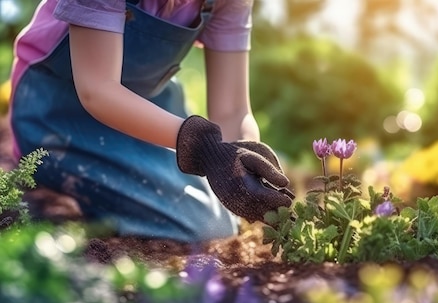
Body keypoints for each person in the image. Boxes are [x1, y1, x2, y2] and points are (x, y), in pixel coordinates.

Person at [8, 0, 293, 242]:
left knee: (223, 220)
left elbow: (232, 110)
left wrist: (246, 156)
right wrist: (202, 148)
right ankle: (52, 187)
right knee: (204, 228)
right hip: (58, 113)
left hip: (148, 105)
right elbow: (97, 89)